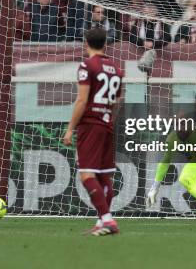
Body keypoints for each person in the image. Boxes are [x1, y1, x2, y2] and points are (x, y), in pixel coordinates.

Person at [62, 27, 123, 236]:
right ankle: (101, 222)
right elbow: (117, 101)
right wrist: (109, 120)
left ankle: (107, 220)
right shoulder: (116, 68)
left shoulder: (87, 65)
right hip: (107, 124)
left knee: (86, 174)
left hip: (90, 124)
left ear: (85, 43)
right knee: (104, 176)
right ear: (105, 43)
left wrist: (70, 129)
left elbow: (81, 100)